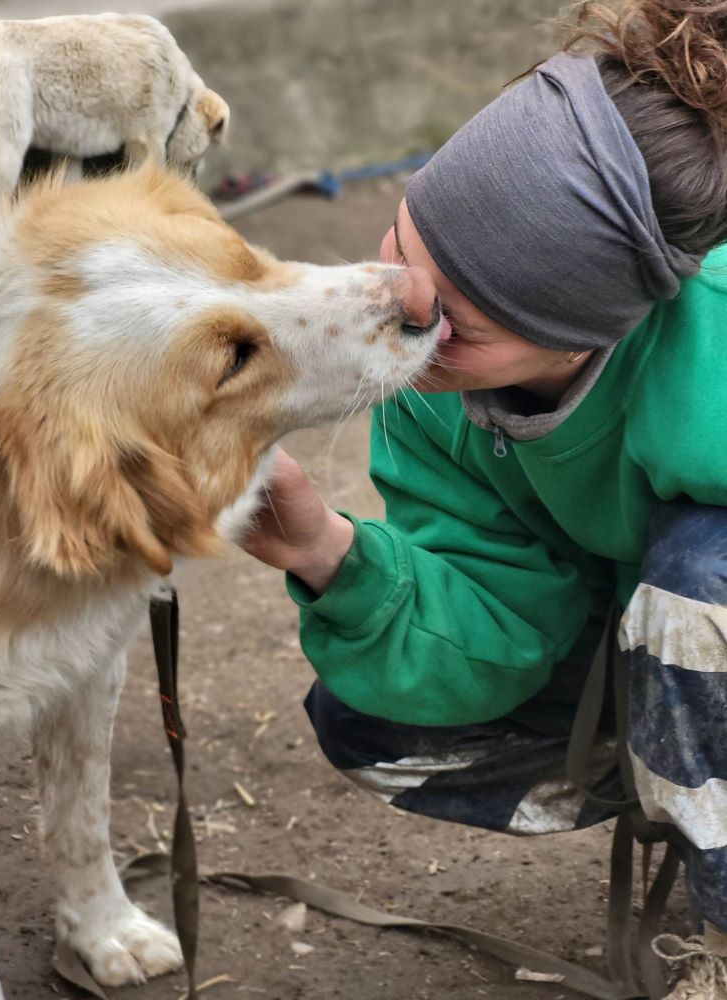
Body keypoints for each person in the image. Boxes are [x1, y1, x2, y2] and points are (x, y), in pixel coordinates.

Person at [239, 2, 727, 997]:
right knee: (372, 726)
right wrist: (327, 551)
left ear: (592, 331)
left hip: (695, 608)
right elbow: (505, 623)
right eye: (398, 257)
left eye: (449, 323)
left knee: (698, 583)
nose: (400, 317)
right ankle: (692, 790)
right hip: (656, 636)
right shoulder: (433, 388)